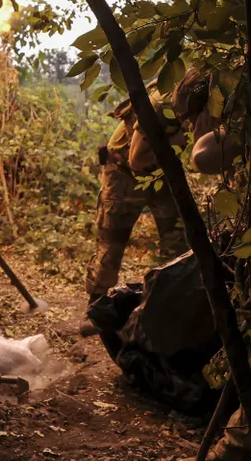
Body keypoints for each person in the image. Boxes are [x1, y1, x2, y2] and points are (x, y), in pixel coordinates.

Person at [84, 69, 232, 301]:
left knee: (177, 244)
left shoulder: (204, 104)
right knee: (111, 247)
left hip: (161, 172)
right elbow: (137, 159)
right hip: (123, 173)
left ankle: (167, 302)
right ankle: (97, 307)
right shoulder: (159, 105)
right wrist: (184, 137)